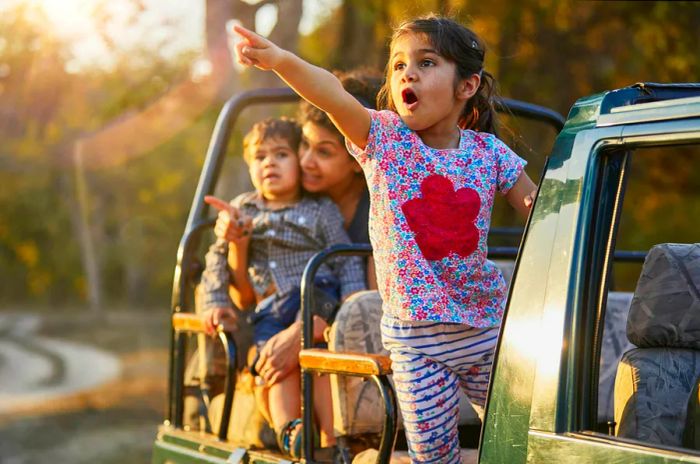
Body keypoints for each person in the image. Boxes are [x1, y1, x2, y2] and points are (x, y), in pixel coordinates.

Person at [231, 14, 537, 463]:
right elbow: (329, 93)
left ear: (466, 86)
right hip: (416, 339)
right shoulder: (385, 139)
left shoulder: (489, 152)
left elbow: (539, 207)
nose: (407, 73)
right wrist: (280, 61)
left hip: (485, 327)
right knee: (435, 457)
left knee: (521, 444)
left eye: (426, 62)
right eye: (398, 65)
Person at [200, 117, 366, 457]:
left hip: (314, 294)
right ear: (249, 166)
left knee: (317, 361)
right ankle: (291, 429)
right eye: (259, 157)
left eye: (280, 155)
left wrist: (352, 297)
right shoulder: (243, 209)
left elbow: (344, 257)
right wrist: (215, 301)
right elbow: (215, 260)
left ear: (297, 163)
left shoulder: (320, 210)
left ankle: (335, 441)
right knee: (274, 364)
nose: (269, 163)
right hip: (270, 307)